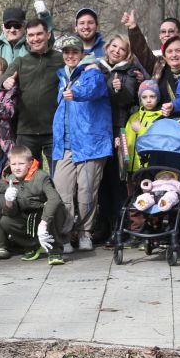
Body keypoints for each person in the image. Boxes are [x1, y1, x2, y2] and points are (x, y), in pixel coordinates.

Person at [51, 35, 112, 251]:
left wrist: (75, 92)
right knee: (62, 191)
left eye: (74, 52)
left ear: (82, 54)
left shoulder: (92, 72)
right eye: (66, 52)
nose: (70, 56)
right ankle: (65, 236)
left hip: (90, 144)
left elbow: (92, 89)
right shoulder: (62, 75)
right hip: (65, 143)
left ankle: (85, 233)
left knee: (86, 193)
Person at [97, 33, 147, 234]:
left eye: (122, 49)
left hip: (119, 129)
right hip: (98, 129)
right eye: (114, 46)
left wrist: (119, 89)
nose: (117, 51)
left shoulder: (130, 72)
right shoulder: (97, 68)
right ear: (107, 47)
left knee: (118, 179)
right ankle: (102, 224)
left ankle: (120, 225)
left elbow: (130, 99)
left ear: (127, 54)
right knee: (100, 180)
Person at [1, 19, 61, 167]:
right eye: (31, 35)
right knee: (29, 178)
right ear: (27, 38)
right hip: (26, 131)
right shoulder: (21, 61)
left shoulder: (60, 59)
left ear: (48, 34)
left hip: (54, 131)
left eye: (39, 34)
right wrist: (6, 82)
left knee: (59, 178)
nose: (35, 39)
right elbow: (3, 78)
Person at [0, 145, 67, 264]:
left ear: (30, 163)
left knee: (55, 208)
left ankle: (55, 251)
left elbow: (55, 199)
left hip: (45, 215)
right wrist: (8, 201)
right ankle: (32, 246)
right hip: (28, 216)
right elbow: (11, 212)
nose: (17, 168)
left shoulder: (41, 176)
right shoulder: (9, 179)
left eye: (21, 164)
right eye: (13, 164)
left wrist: (43, 224)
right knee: (5, 221)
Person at [123, 79, 165, 173]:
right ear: (140, 99)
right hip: (130, 167)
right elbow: (126, 139)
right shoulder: (133, 117)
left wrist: (141, 130)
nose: (148, 100)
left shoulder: (160, 118)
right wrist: (120, 143)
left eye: (152, 96)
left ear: (158, 98)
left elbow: (158, 142)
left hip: (148, 167)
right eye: (144, 97)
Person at [121, 11, 180, 75]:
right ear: (160, 36)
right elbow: (142, 51)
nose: (167, 34)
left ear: (179, 35)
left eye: (171, 31)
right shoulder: (158, 64)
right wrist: (132, 27)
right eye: (163, 31)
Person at [154, 35, 180, 112]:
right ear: (165, 57)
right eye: (169, 51)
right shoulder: (160, 74)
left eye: (178, 50)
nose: (174, 55)